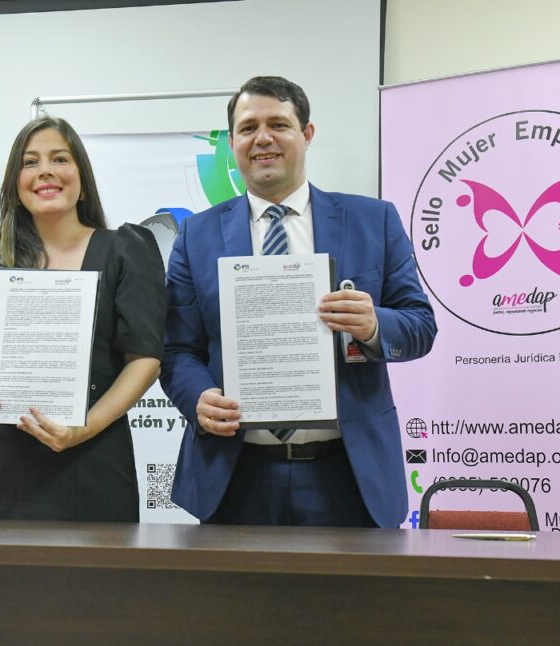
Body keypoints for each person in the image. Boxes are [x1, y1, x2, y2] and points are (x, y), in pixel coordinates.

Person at [161, 76, 437, 528]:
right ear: (231, 142)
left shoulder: (373, 220)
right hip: (235, 474)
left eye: (278, 125)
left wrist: (373, 325)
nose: (262, 138)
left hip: (349, 474)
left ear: (306, 134)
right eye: (248, 128)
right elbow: (176, 349)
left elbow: (420, 326)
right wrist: (198, 397)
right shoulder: (197, 235)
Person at [0, 116, 165, 522]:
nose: (45, 171)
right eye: (30, 162)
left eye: (60, 159)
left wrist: (84, 428)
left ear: (82, 177)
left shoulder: (126, 250)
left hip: (94, 459)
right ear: (15, 183)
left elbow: (145, 359)